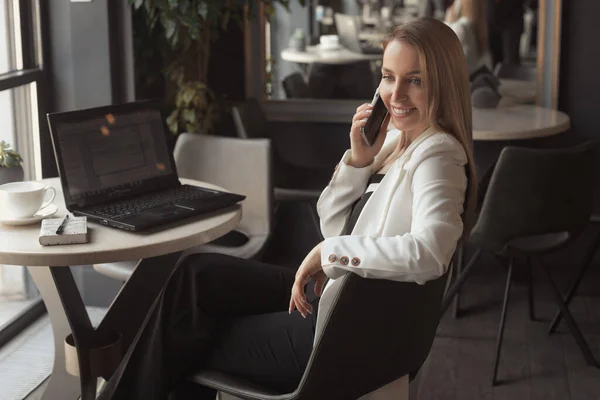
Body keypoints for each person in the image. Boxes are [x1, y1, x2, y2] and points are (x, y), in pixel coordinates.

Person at [99, 17, 477, 400]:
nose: (395, 95)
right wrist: (358, 162)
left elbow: (431, 251)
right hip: (337, 300)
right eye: (387, 76)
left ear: (443, 84)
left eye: (415, 80)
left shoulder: (437, 156)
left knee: (182, 336)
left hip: (344, 335)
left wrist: (330, 253)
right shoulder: (397, 140)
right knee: (196, 275)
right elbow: (331, 222)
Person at [445, 0, 493, 74]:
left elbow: (443, 42)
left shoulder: (462, 27)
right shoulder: (480, 25)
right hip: (479, 73)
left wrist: (448, 21)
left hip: (467, 75)